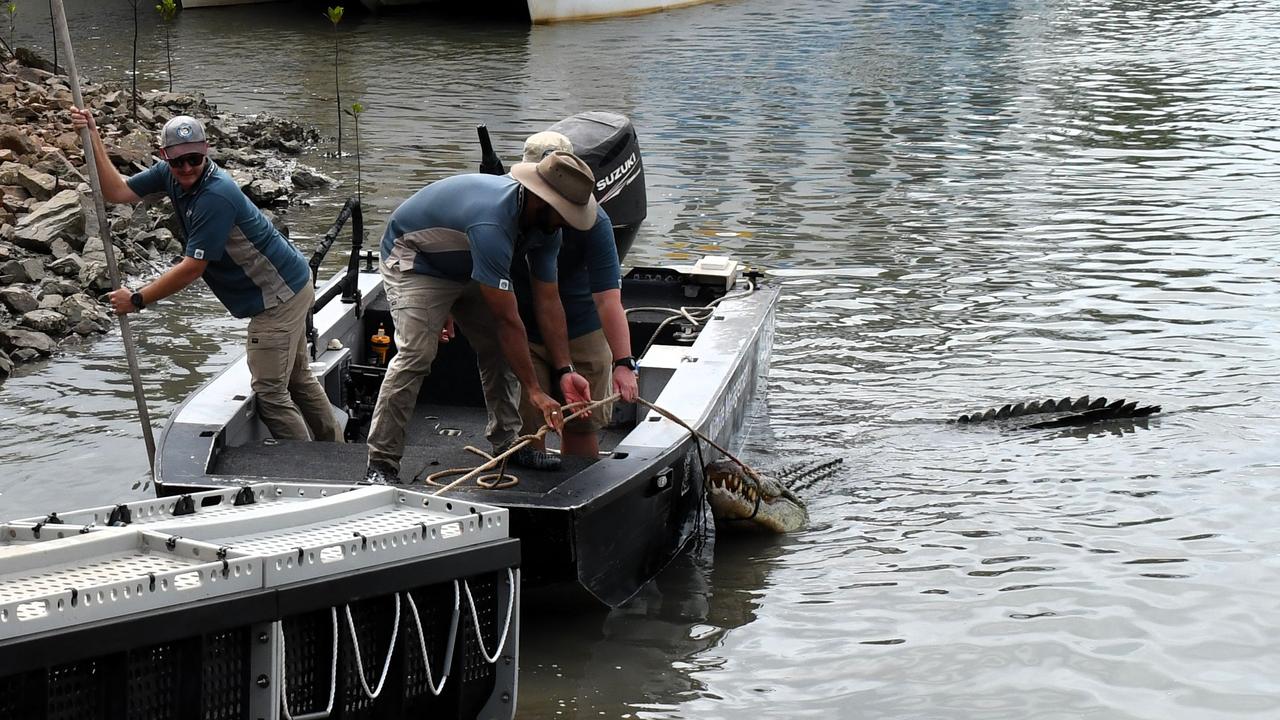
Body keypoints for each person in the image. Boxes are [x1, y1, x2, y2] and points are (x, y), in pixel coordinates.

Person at [68, 108, 342, 443]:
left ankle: (311, 468)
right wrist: (92, 136)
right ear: (164, 156)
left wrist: (137, 299)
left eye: (193, 160)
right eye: (177, 161)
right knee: (298, 378)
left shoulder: (216, 195)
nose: (185, 168)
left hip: (280, 297)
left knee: (270, 392)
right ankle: (335, 450)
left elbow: (192, 269)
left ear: (206, 152)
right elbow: (117, 193)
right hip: (293, 282)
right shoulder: (169, 175)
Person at [363, 151, 598, 485]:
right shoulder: (492, 221)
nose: (566, 222)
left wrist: (564, 370)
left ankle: (509, 443)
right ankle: (381, 463)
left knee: (502, 350)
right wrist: (533, 390)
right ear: (538, 199)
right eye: (563, 213)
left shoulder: (547, 228)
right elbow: (507, 319)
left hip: (468, 262)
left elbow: (547, 299)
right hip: (415, 259)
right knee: (416, 354)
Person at [510, 132, 640, 470]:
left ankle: (580, 496)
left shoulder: (595, 223)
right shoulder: (503, 208)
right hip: (522, 328)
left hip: (582, 327)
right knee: (528, 430)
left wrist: (624, 362)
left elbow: (608, 298)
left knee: (582, 423)